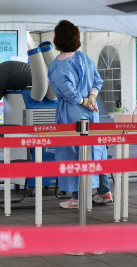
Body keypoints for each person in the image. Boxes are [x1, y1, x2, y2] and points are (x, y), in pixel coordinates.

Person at [48, 20, 113, 209]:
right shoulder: (84, 58)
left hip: (71, 114)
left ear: (57, 39)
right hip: (92, 113)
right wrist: (91, 98)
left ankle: (78, 197)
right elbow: (97, 80)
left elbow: (69, 93)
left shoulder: (56, 66)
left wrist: (83, 100)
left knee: (74, 154)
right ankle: (104, 192)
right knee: (96, 151)